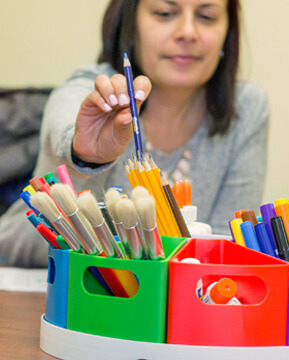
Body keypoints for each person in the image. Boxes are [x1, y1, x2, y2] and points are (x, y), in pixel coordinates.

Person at [0, 0, 269, 267]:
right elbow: (65, 124)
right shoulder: (92, 90)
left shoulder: (247, 108)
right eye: (165, 13)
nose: (188, 32)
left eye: (207, 17)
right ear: (130, 24)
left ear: (227, 32)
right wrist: (86, 154)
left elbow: (225, 252)